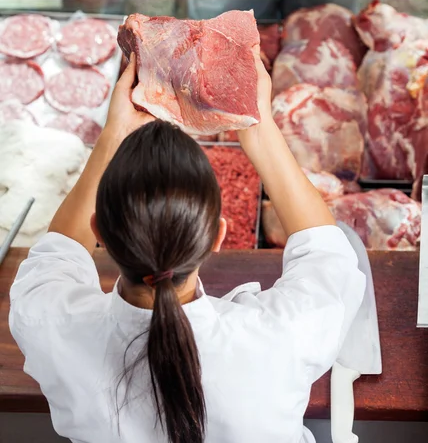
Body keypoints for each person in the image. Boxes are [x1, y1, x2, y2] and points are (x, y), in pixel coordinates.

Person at [9, 50, 365, 443]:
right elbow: (326, 252)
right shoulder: (279, 338)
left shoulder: (50, 325)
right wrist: (259, 130)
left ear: (101, 233)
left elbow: (58, 251)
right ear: (217, 237)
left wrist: (113, 135)